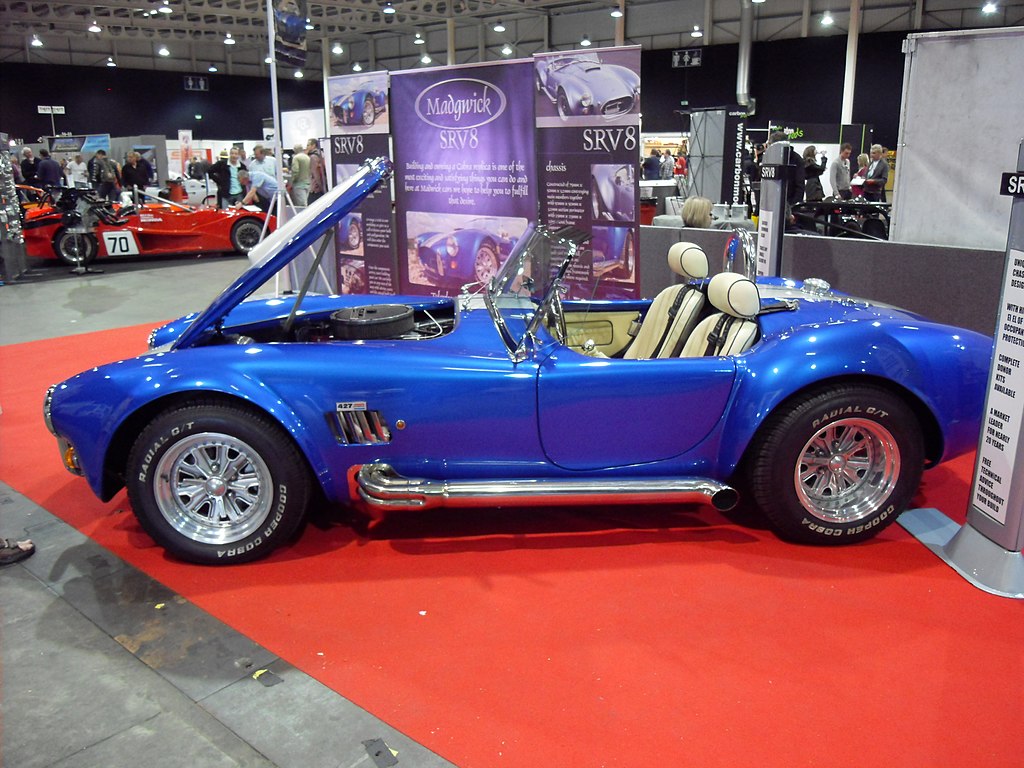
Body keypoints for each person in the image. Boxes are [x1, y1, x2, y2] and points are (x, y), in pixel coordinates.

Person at [306, 139, 327, 203]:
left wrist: (321, 188)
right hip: (323, 185)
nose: (307, 147)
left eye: (308, 145)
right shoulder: (322, 154)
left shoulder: (313, 157)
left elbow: (315, 174)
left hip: (316, 188)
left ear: (314, 145)